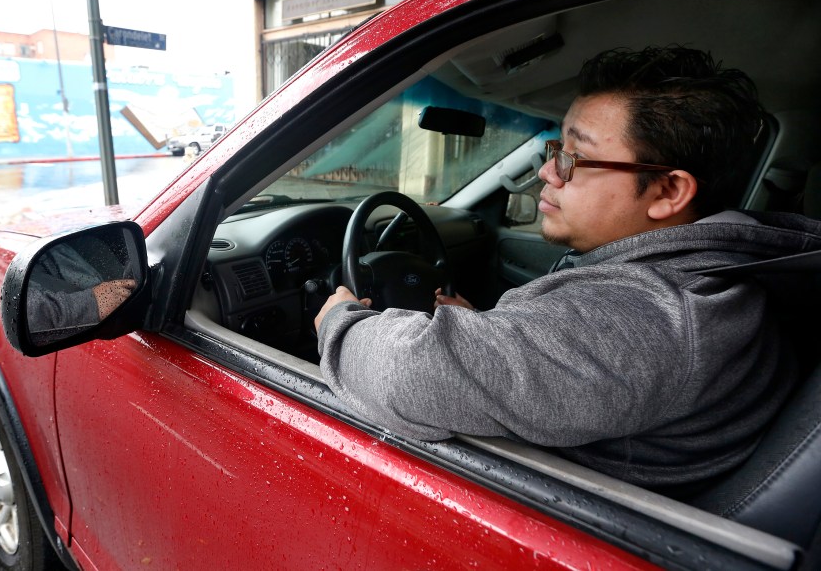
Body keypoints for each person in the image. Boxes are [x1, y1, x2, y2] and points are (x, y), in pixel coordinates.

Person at [314, 46, 821, 494]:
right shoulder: (701, 281)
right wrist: (486, 332)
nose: (546, 172)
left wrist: (339, 322)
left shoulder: (647, 318)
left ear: (668, 192)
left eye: (576, 158)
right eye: (558, 150)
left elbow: (412, 375)